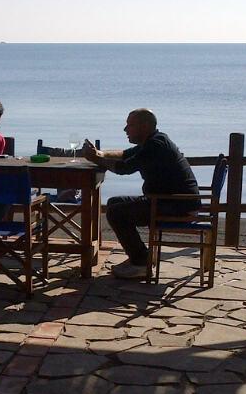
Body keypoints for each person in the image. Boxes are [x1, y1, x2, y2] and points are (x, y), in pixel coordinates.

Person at [82, 108, 198, 279]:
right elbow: (124, 155)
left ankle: (141, 265)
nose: (125, 129)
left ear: (144, 126)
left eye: (130, 125)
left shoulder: (156, 145)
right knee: (114, 202)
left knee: (116, 212)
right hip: (169, 200)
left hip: (176, 204)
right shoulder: (152, 141)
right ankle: (141, 258)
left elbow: (124, 168)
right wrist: (101, 153)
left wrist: (96, 159)